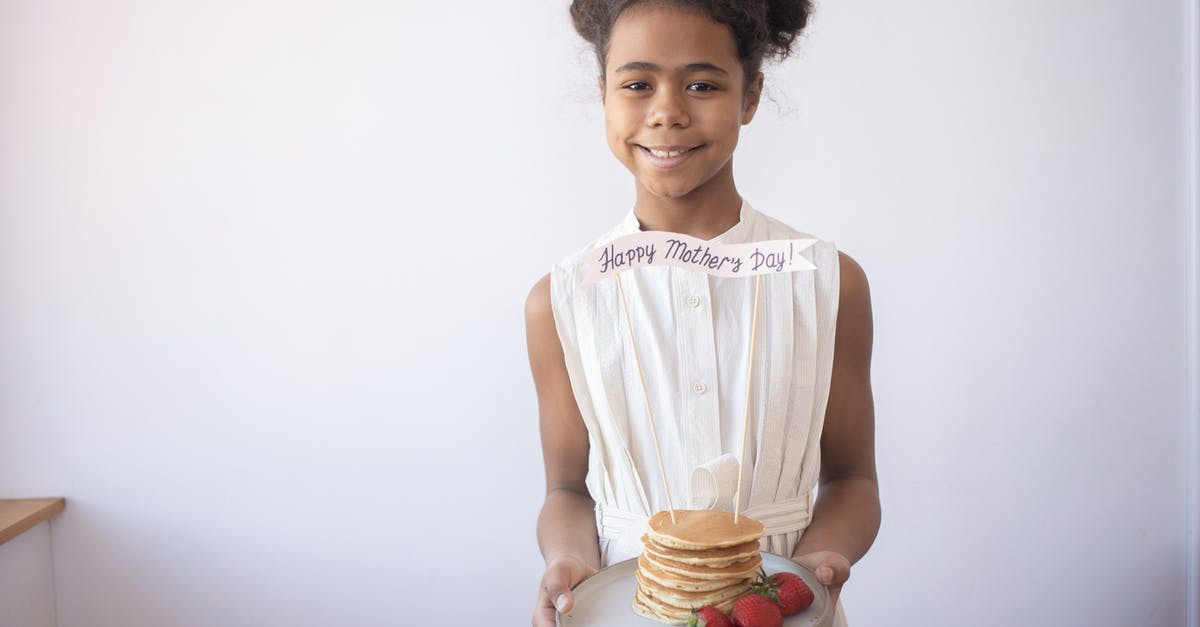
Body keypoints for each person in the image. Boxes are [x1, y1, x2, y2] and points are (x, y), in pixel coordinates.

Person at [526, 1, 879, 625]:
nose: (667, 111)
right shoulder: (561, 300)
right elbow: (566, 489)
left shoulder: (829, 283)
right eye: (637, 84)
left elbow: (852, 476)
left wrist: (822, 557)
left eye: (702, 83)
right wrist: (568, 559)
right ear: (602, 93)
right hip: (626, 609)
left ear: (750, 96)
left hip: (776, 610)